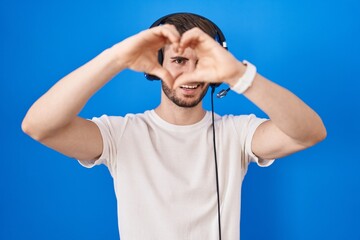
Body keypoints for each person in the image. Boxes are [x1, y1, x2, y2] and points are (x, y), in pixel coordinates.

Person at [22, 13, 327, 240]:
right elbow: (39, 126)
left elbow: (310, 132)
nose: (190, 74)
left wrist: (239, 75)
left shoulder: (237, 133)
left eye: (202, 62)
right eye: (179, 60)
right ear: (156, 64)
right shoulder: (121, 134)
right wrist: (116, 58)